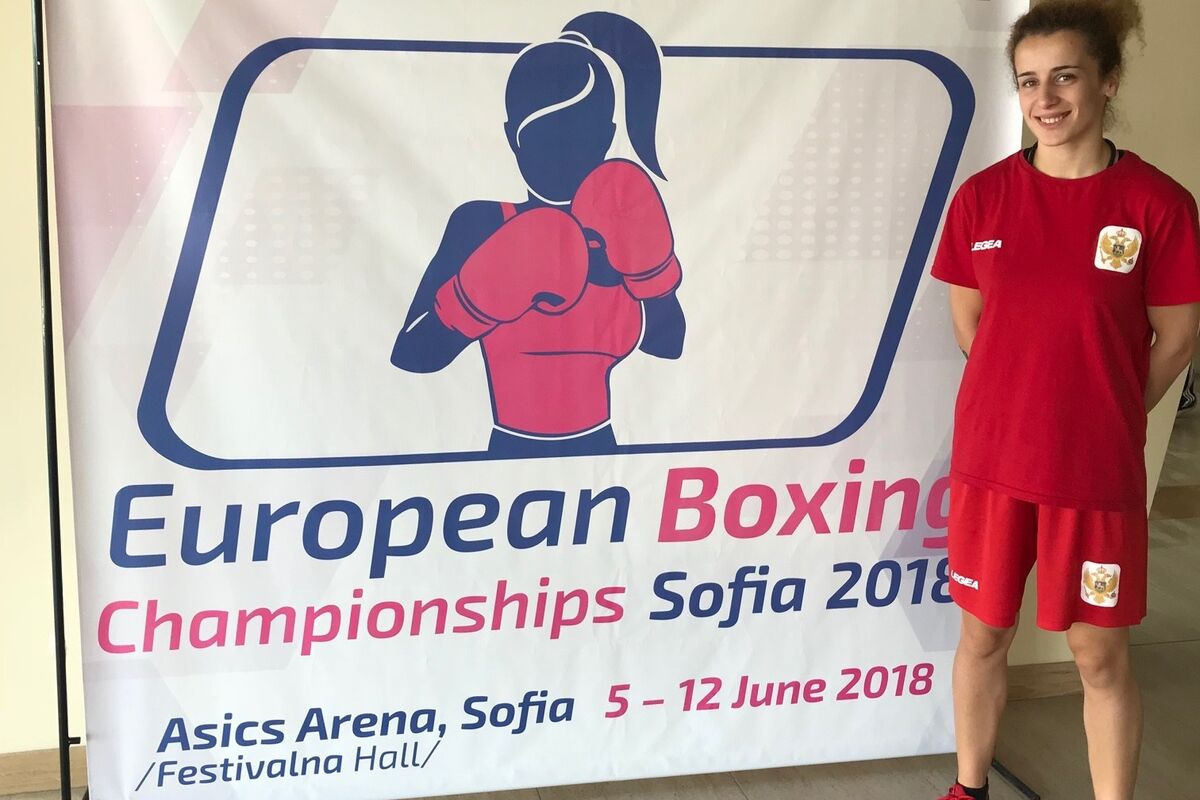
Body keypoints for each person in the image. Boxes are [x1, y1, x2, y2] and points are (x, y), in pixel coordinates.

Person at [930, 1, 1200, 798]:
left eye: (1065, 77)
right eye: (1028, 81)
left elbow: (1177, 337)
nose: (1044, 98)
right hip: (993, 465)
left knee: (1099, 655)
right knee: (984, 635)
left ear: (1107, 81)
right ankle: (969, 788)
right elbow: (971, 328)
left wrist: (1104, 412)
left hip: (1093, 474)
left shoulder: (1157, 205)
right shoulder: (982, 199)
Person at [390, 12, 685, 458]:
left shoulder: (622, 219)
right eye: (544, 135)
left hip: (603, 464)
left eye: (581, 134)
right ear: (512, 137)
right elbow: (413, 355)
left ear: (607, 138)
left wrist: (654, 275)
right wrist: (479, 294)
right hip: (506, 467)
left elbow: (668, 345)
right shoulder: (482, 223)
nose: (564, 153)